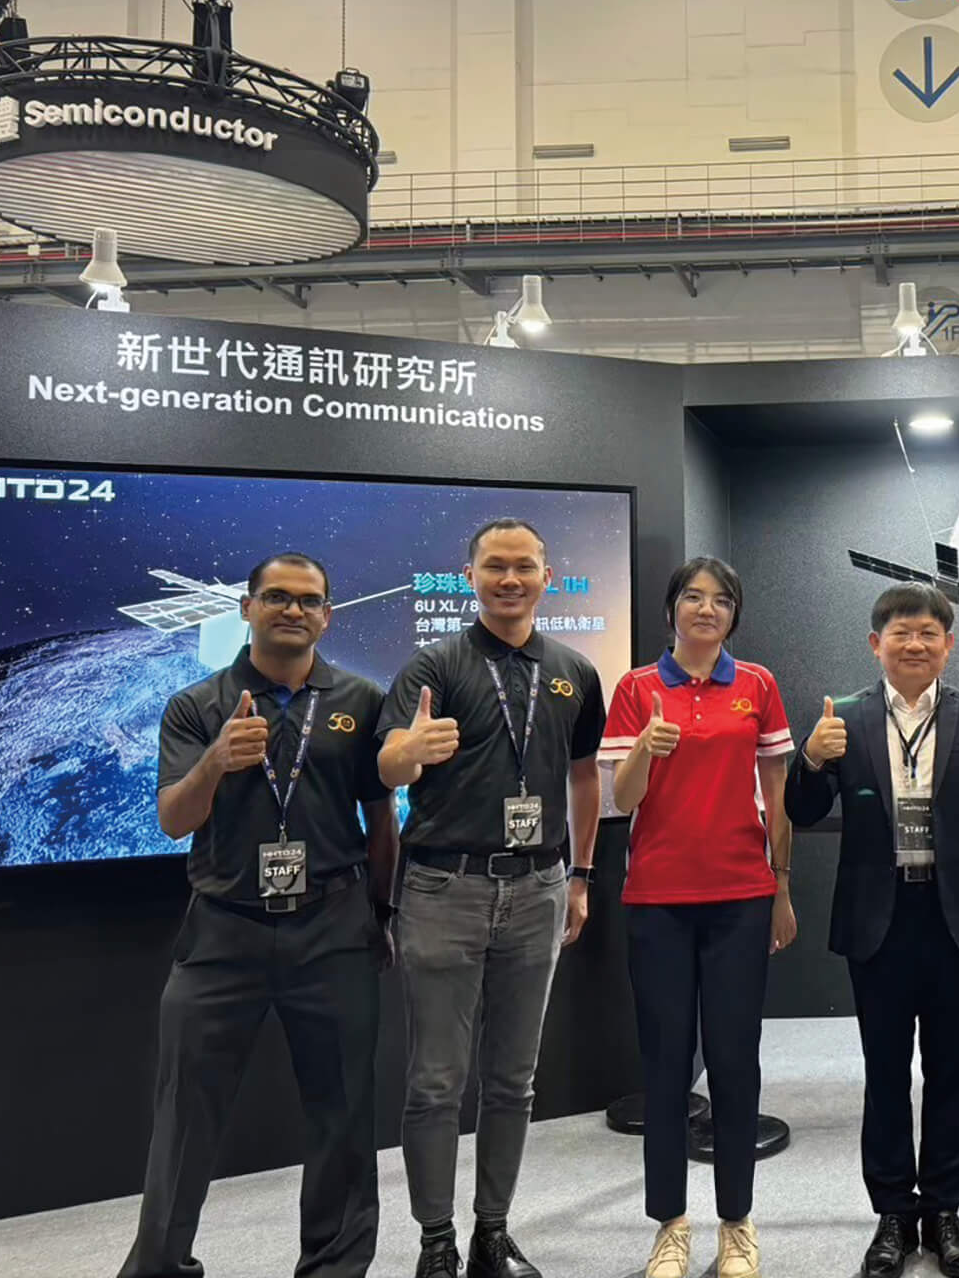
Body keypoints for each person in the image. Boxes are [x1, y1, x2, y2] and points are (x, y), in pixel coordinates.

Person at [118, 552, 399, 1278]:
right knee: (185, 1116)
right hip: (223, 928)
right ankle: (159, 1266)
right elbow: (173, 820)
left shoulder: (362, 700)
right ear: (246, 608)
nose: (292, 610)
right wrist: (215, 761)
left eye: (308, 600)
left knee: (343, 1113)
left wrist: (380, 913)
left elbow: (381, 820)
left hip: (333, 927)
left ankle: (334, 1267)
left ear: (327, 616)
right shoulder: (198, 705)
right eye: (276, 597)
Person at [377, 519, 605, 1278]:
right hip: (445, 888)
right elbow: (389, 764)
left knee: (513, 1080)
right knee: (436, 1082)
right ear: (469, 575)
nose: (510, 579)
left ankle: (492, 1234)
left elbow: (583, 777)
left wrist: (580, 875)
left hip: (539, 887)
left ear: (547, 577)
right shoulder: (434, 665)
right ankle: (436, 1242)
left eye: (524, 567)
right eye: (495, 566)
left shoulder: (573, 671)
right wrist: (406, 756)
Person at [785, 582, 959, 1278]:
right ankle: (892, 1212)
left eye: (928, 634)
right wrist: (811, 757)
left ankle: (945, 1211)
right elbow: (801, 810)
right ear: (875, 643)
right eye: (901, 633)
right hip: (878, 921)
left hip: (953, 919)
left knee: (952, 1070)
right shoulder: (846, 717)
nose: (915, 644)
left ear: (948, 645)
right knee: (884, 1072)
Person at [598, 557, 797, 1278]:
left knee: (736, 1061)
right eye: (692, 597)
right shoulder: (636, 688)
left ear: (734, 615)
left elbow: (777, 796)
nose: (706, 609)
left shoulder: (758, 685)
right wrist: (644, 752)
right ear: (671, 610)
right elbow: (620, 799)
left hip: (741, 896)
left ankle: (736, 1222)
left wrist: (781, 888)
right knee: (665, 1064)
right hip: (657, 900)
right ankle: (670, 1225)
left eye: (720, 600)